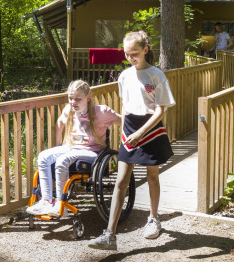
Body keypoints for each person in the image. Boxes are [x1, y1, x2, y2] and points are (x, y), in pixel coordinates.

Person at [88, 30, 175, 251]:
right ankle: (109, 234)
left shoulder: (156, 75)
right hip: (130, 131)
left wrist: (141, 133)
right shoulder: (124, 76)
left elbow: (159, 111)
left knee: (152, 176)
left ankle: (153, 218)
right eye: (127, 54)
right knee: (121, 181)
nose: (130, 58)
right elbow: (125, 106)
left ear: (146, 50)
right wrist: (126, 132)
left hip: (151, 129)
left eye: (134, 53)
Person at [26, 79, 121, 217]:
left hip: (93, 152)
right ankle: (46, 200)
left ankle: (60, 204)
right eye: (70, 98)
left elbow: (123, 121)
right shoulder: (69, 110)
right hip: (72, 147)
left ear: (88, 98)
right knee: (43, 156)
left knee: (62, 160)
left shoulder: (101, 112)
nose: (73, 102)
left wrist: (131, 140)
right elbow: (59, 123)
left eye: (78, 99)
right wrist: (58, 145)